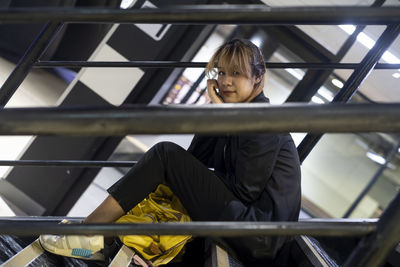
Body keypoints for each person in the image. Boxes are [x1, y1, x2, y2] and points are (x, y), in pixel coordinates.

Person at [39, 39, 301, 266]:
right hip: (242, 221)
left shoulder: (265, 122)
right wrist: (215, 114)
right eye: (220, 73)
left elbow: (245, 191)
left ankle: (87, 234)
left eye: (235, 73)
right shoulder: (238, 115)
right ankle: (100, 240)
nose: (225, 81)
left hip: (257, 236)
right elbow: (195, 160)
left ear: (258, 76)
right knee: (167, 168)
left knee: (165, 154)